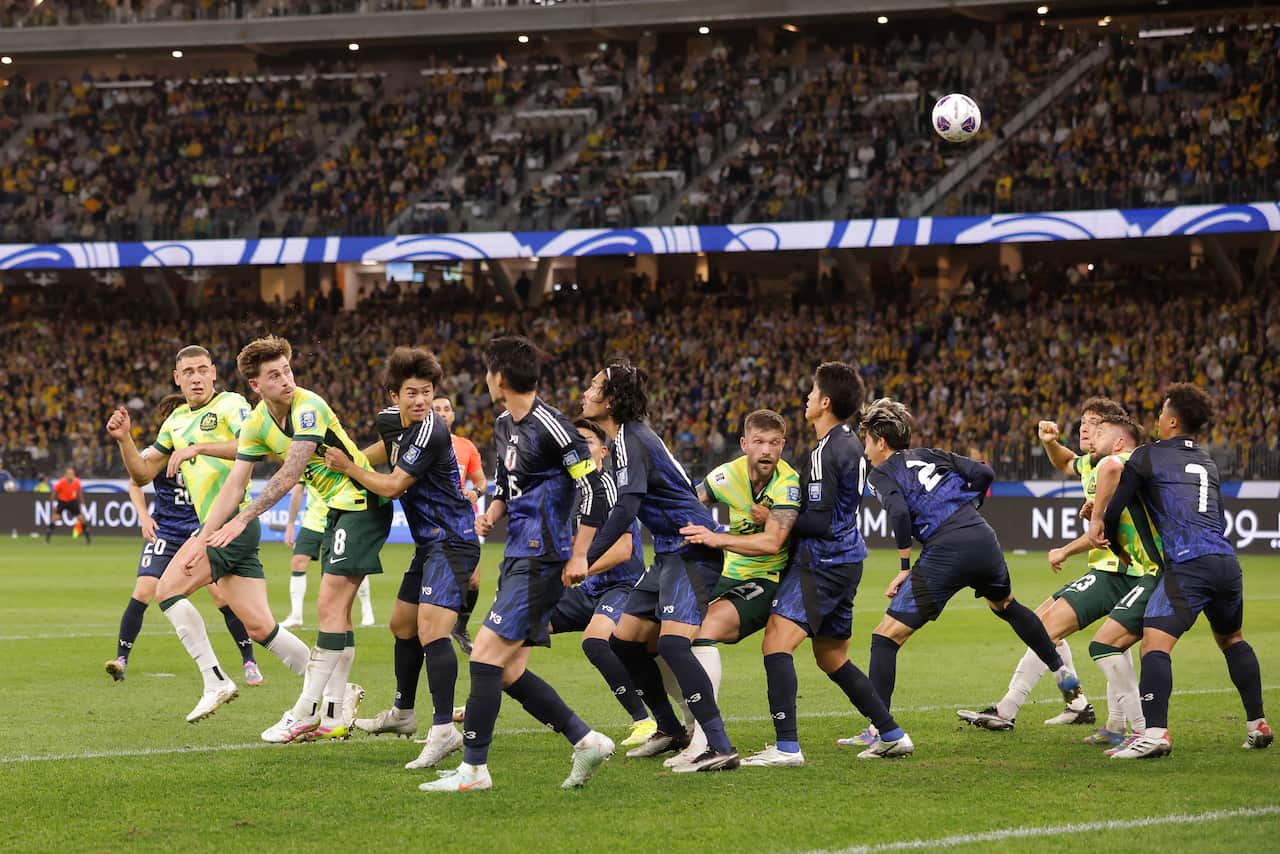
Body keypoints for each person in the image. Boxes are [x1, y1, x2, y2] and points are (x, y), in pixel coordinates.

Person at [423, 336, 614, 792]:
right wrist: (492, 512)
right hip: (516, 556)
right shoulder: (505, 423)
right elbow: (508, 483)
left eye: (489, 372)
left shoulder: (556, 429)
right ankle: (586, 740)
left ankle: (473, 770)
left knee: (486, 656)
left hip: (542, 559)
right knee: (507, 669)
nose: (486, 379)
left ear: (500, 377)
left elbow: (595, 491)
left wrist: (581, 552)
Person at [855, 398, 1080, 751]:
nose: (865, 450)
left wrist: (903, 567)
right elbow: (984, 473)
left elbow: (898, 513)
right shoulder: (929, 454)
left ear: (880, 442)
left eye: (867, 441)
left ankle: (880, 731)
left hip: (946, 548)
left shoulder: (881, 473)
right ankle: (1065, 680)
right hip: (981, 535)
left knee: (885, 637)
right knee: (1006, 605)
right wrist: (967, 505)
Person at [106, 345, 311, 723]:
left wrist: (198, 447)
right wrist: (124, 441)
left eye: (203, 370)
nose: (197, 377)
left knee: (166, 590)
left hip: (230, 521)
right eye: (189, 372)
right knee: (261, 626)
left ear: (214, 373)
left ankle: (214, 680)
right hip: (229, 529)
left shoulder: (232, 405)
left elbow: (254, 446)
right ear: (177, 378)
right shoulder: (175, 422)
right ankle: (329, 688)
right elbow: (142, 474)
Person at [204, 335, 392, 743]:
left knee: (327, 607)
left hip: (362, 502)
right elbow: (238, 481)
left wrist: (246, 518)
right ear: (255, 385)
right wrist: (215, 528)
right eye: (274, 375)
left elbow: (291, 472)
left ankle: (304, 711)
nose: (287, 380)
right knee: (337, 614)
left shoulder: (311, 405)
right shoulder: (255, 423)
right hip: (337, 510)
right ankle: (332, 715)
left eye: (287, 370)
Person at [580, 361, 739, 773]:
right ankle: (670, 729)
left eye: (595, 386)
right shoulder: (625, 439)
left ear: (611, 400)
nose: (586, 392)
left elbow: (627, 507)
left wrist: (586, 556)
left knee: (672, 644)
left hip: (691, 548)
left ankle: (718, 745)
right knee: (624, 641)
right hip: (669, 552)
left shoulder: (632, 439)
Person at [326, 347, 481, 770]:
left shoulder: (432, 430)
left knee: (432, 631)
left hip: (453, 542)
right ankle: (403, 713)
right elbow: (383, 448)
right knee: (401, 625)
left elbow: (394, 486)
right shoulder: (395, 422)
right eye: (411, 392)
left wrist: (348, 468)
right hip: (430, 544)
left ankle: (444, 730)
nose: (420, 400)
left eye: (426, 392)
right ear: (394, 394)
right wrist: (352, 458)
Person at [750, 366, 911, 764]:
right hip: (848, 559)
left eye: (812, 391)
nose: (806, 397)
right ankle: (891, 733)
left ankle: (786, 747)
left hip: (821, 561)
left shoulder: (825, 449)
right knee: (832, 656)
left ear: (825, 402)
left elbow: (819, 522)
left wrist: (772, 519)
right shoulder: (851, 444)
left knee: (776, 642)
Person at [1102, 384, 1271, 758]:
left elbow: (1114, 513)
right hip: (1226, 563)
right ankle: (1256, 723)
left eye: (1162, 412)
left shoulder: (1145, 456)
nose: (1158, 418)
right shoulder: (1208, 462)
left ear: (1173, 421)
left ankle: (1156, 733)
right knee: (1232, 639)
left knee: (1154, 645)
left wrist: (1115, 546)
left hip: (1189, 562)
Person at [956, 398, 1127, 732]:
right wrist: (1050, 443)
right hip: (1106, 567)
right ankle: (1078, 703)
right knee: (1043, 625)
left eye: (1093, 422)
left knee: (1045, 630)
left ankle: (1007, 709)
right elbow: (1066, 463)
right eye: (1083, 420)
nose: (1084, 427)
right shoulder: (1094, 463)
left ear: (1111, 431)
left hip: (1119, 569)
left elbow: (1105, 528)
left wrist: (1064, 550)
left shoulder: (1117, 466)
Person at [105, 393, 263, 688]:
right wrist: (143, 516)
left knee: (222, 597)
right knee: (143, 591)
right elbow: (135, 479)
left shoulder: (204, 448)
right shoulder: (163, 450)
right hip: (166, 529)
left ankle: (248, 659)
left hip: (199, 528)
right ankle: (122, 659)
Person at [674, 409, 801, 768]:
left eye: (773, 443)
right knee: (667, 632)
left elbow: (772, 543)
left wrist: (715, 538)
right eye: (758, 442)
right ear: (744, 443)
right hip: (729, 575)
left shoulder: (787, 484)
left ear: (782, 446)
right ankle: (686, 727)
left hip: (766, 580)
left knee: (703, 630)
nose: (766, 450)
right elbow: (691, 502)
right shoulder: (725, 475)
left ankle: (704, 742)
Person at [546, 417, 652, 749]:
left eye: (588, 442)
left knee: (595, 642)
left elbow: (624, 549)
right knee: (521, 628)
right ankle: (483, 704)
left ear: (603, 451)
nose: (580, 448)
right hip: (586, 589)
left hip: (623, 586)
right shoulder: (570, 492)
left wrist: (581, 569)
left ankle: (644, 720)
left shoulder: (612, 489)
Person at [1073, 413, 1163, 748]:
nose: (1093, 436)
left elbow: (1111, 466)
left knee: (1104, 644)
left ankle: (1142, 730)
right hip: (1170, 567)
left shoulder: (1123, 459)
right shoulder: (1145, 466)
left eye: (1102, 432)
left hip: (1161, 571)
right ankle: (1257, 723)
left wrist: (1096, 518)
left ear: (1121, 441)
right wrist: (1098, 508)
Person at [432, 392, 486, 654]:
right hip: (433, 522)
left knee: (473, 581)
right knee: (435, 580)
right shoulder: (422, 444)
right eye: (437, 408)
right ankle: (429, 634)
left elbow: (481, 481)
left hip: (462, 520)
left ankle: (460, 627)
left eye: (446, 408)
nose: (442, 412)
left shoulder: (466, 446)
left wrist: (476, 492)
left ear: (453, 415)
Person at [281, 484, 375, 629]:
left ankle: (367, 611)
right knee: (298, 561)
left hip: (340, 520)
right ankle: (296, 616)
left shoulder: (340, 461)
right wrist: (291, 524)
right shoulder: (306, 463)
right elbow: (298, 491)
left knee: (353, 564)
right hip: (312, 522)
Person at [48, 465, 90, 544]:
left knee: (81, 519)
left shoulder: (77, 482)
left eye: (72, 474)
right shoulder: (61, 483)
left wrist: (82, 503)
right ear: (65, 475)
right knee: (55, 518)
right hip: (62, 501)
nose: (71, 476)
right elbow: (54, 494)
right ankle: (47, 539)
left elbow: (79, 494)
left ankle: (88, 540)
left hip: (72, 502)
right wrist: (53, 504)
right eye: (69, 474)